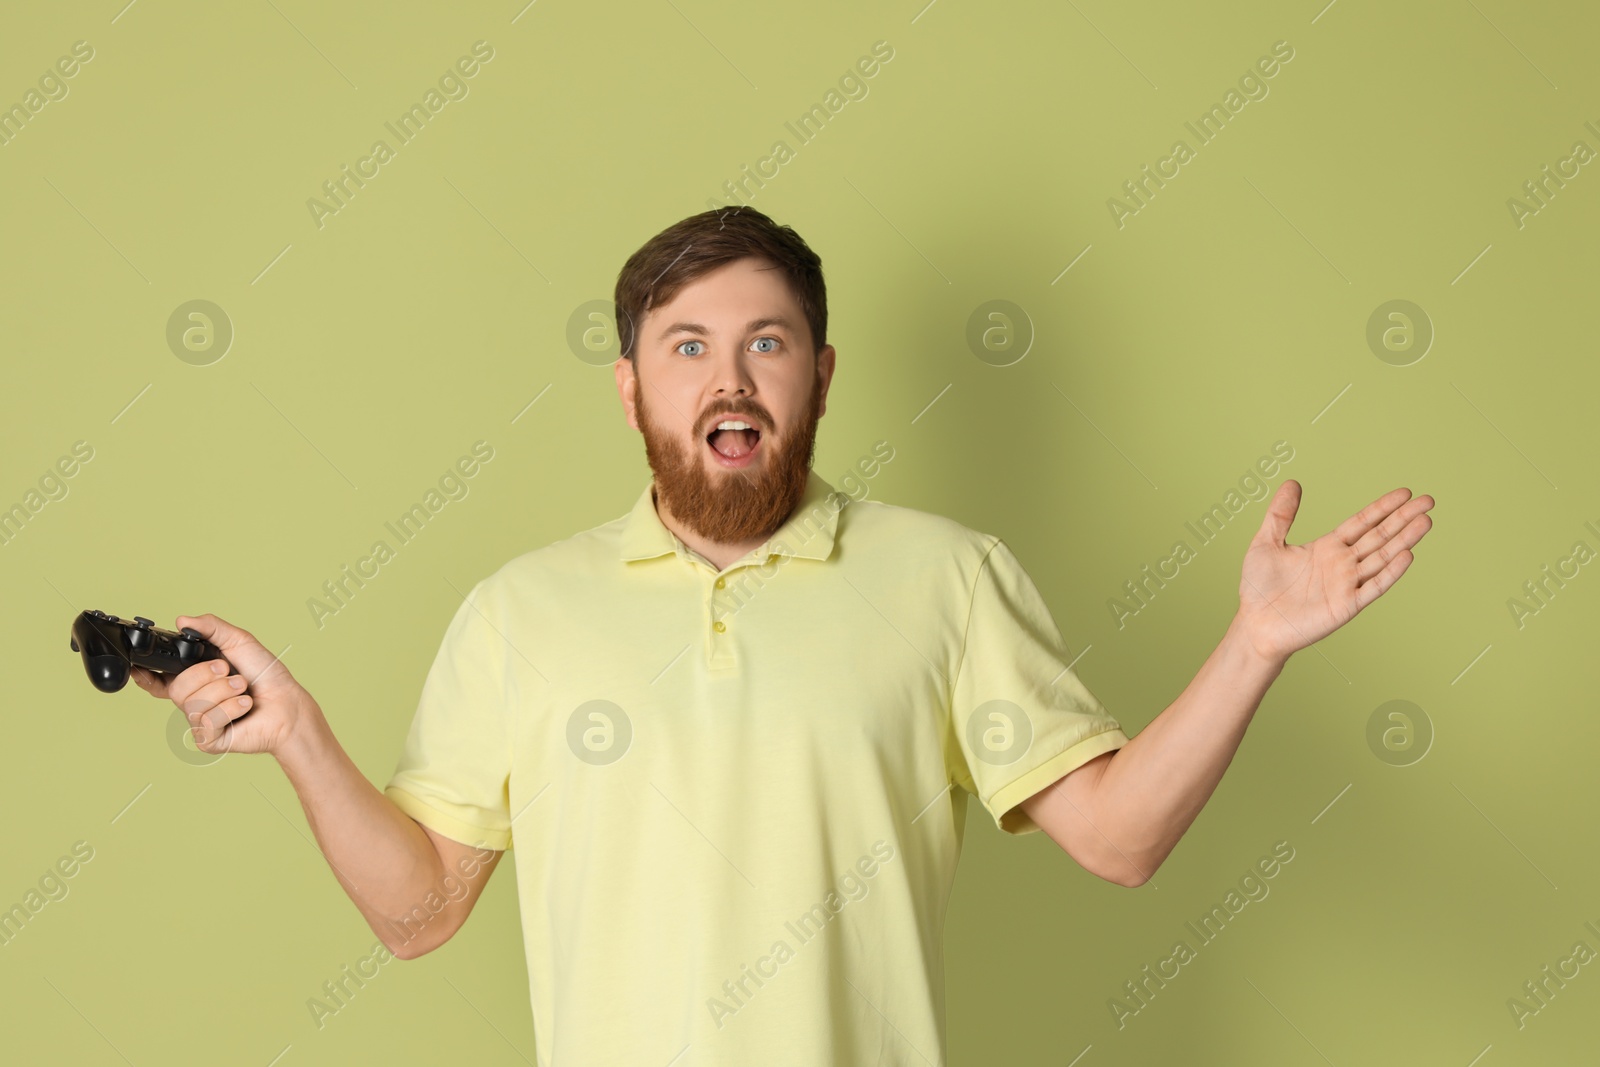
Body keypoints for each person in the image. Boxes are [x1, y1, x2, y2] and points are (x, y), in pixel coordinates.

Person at [133, 206, 1435, 1064]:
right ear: (633, 387)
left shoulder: (947, 579)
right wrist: (298, 735)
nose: (731, 378)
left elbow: (1121, 837)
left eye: (769, 342)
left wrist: (1254, 644)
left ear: (822, 372)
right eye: (688, 346)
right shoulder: (522, 611)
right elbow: (418, 912)